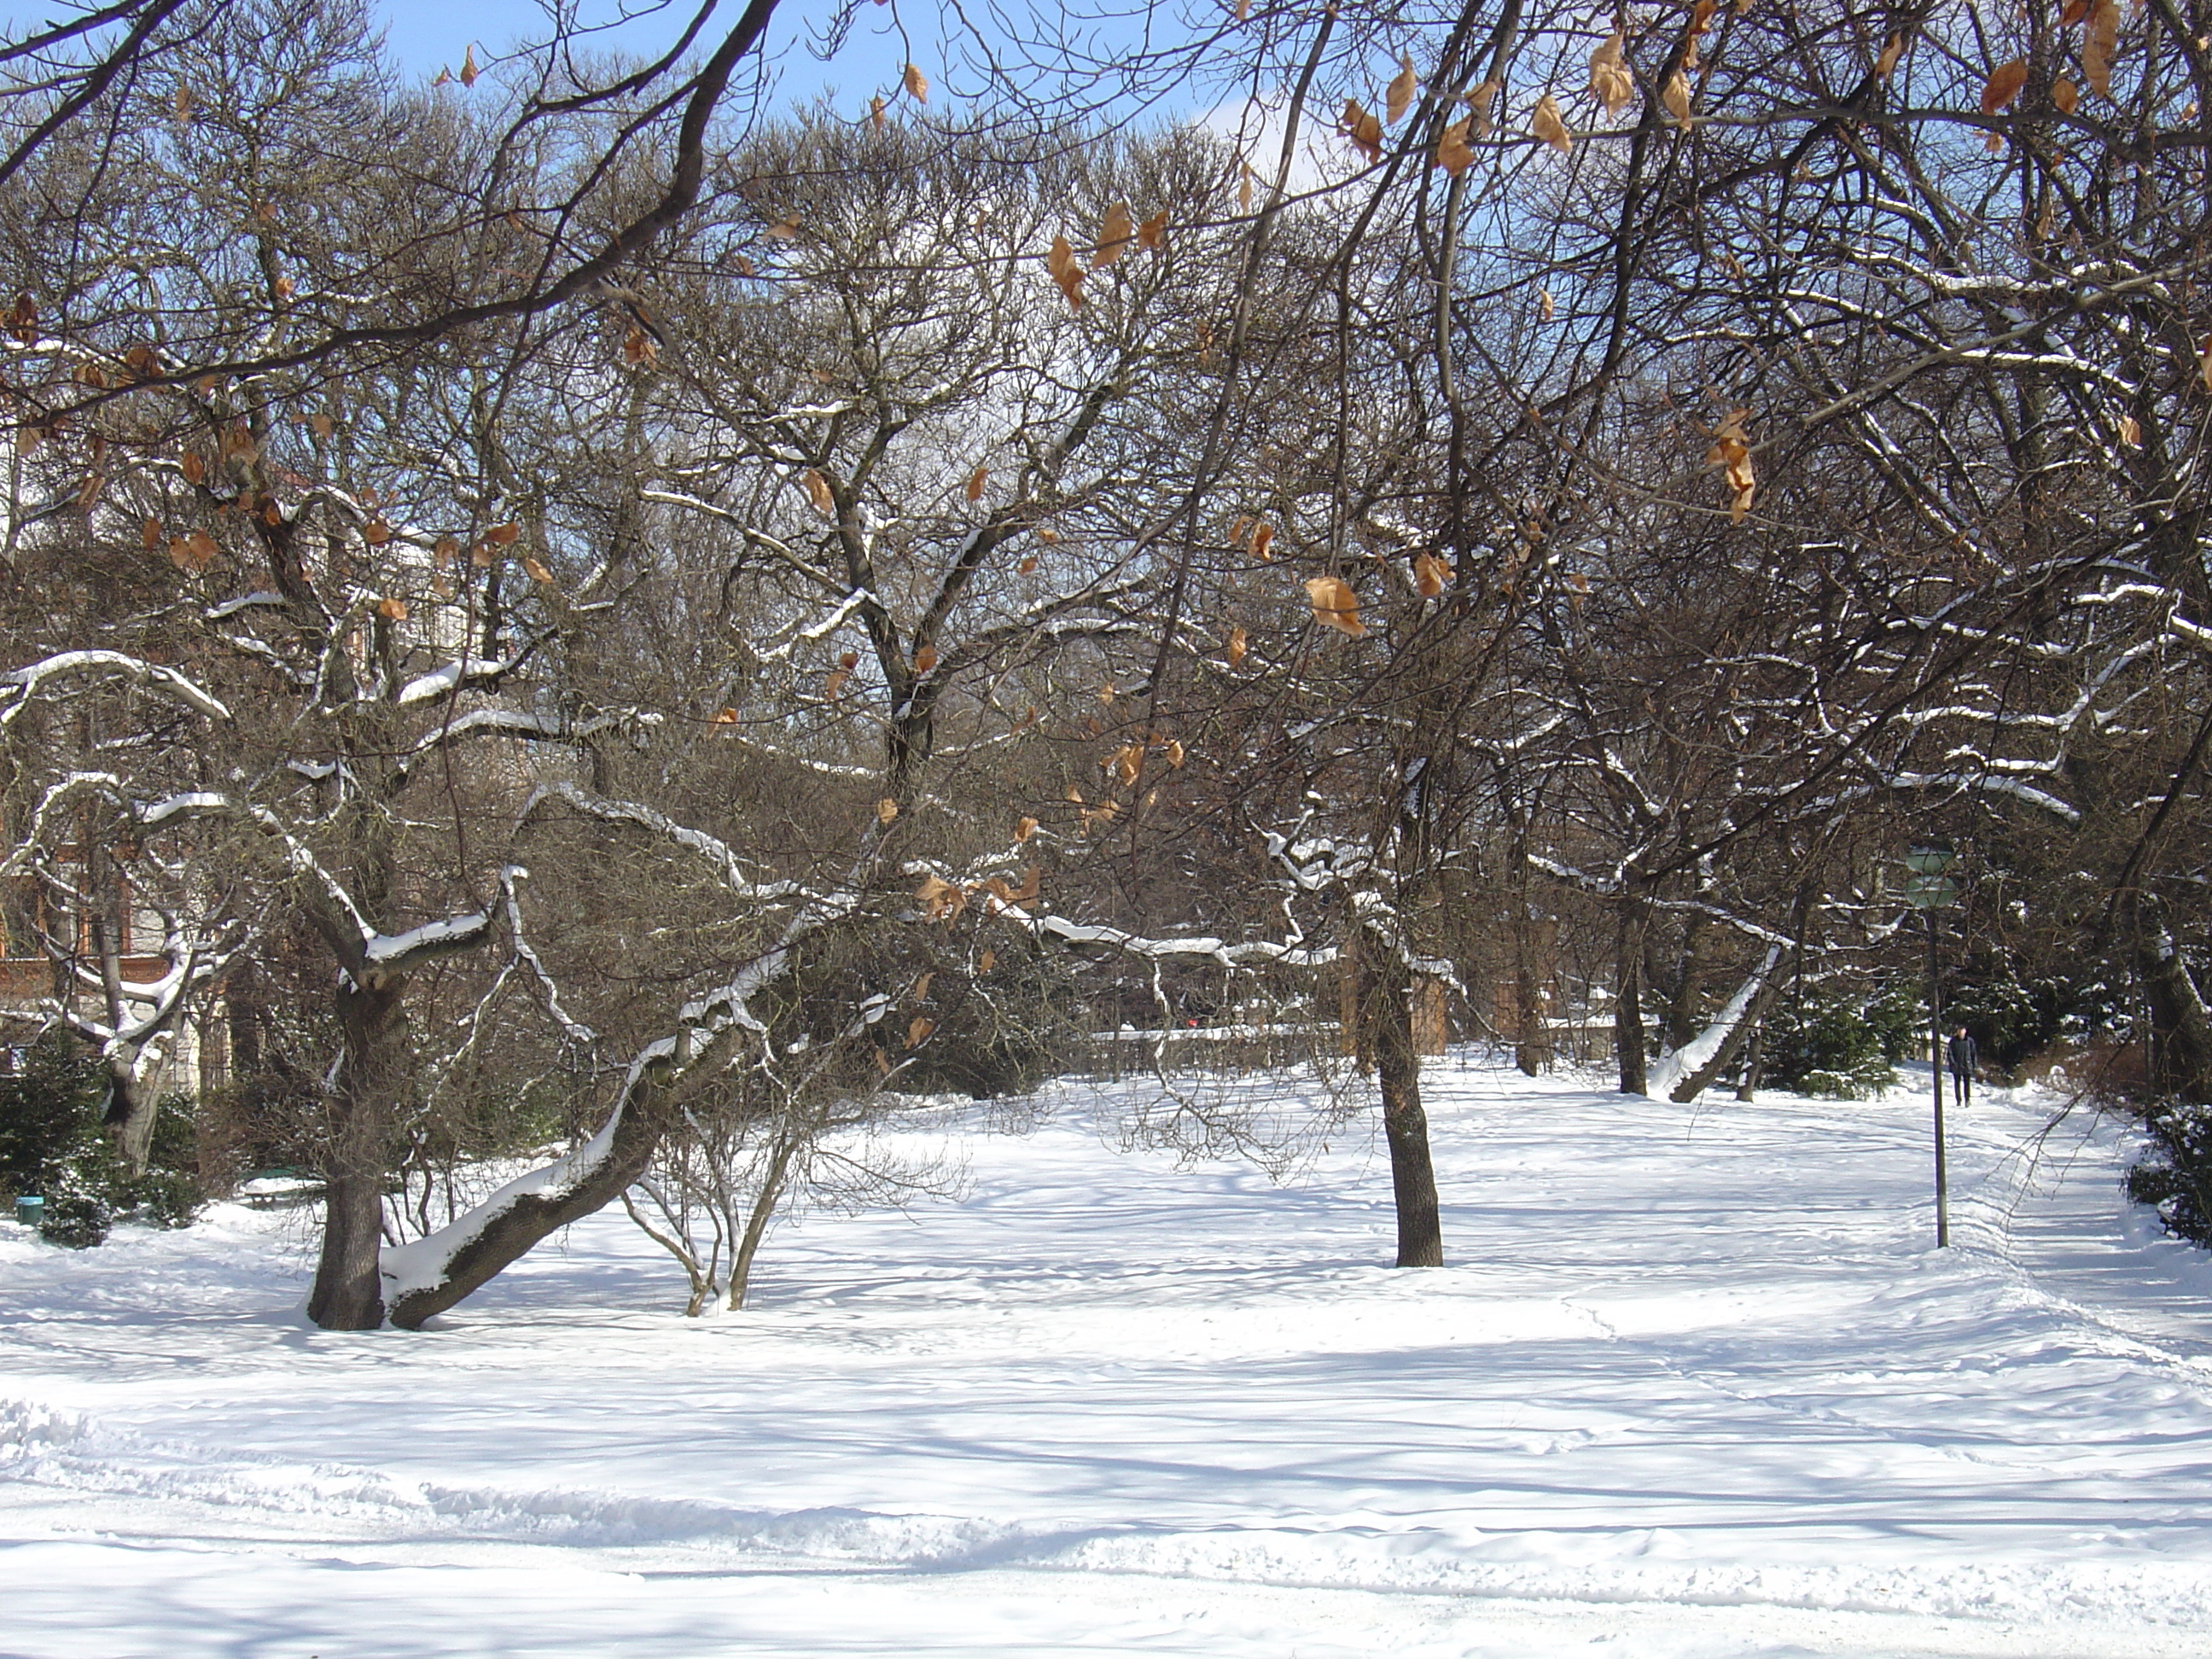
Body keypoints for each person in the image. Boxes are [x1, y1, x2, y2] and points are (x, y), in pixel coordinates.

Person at [1946, 1025, 1977, 1106]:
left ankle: (1967, 1099)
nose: (1961, 1033)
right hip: (1957, 1066)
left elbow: (1973, 1053)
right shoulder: (1953, 1041)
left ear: (1965, 1032)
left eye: (1962, 1031)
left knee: (1967, 1084)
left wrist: (1974, 1065)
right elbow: (1950, 1053)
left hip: (1967, 1065)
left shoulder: (1969, 1041)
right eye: (1959, 1031)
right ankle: (1958, 1100)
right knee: (1957, 1084)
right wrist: (1953, 1063)